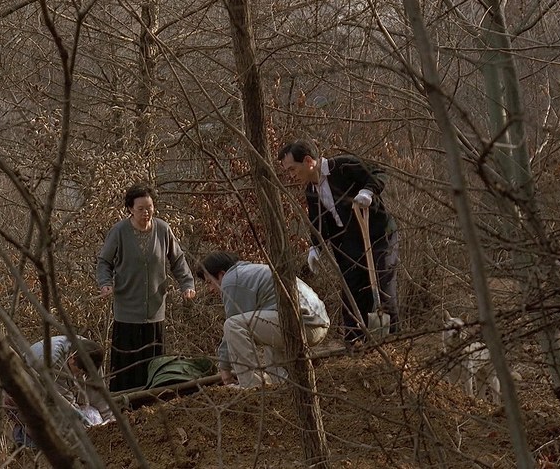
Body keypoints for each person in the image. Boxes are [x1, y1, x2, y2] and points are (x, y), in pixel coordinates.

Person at [278, 139, 400, 344]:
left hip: (380, 235)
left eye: (292, 169)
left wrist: (368, 191)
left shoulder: (343, 166)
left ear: (308, 161)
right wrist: (316, 247)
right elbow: (317, 221)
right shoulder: (311, 191)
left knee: (383, 286)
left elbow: (378, 172)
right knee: (352, 293)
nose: (291, 175)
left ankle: (394, 343)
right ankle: (355, 346)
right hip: (349, 244)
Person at [96, 183, 196, 392]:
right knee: (127, 368)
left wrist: (187, 284)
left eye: (149, 207)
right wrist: (105, 283)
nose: (146, 212)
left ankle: (153, 403)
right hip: (127, 311)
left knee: (154, 365)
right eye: (141, 208)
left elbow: (178, 261)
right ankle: (125, 403)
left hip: (155, 310)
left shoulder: (163, 229)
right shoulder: (119, 231)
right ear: (130, 209)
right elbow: (104, 262)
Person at [195, 251, 329, 388]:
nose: (210, 289)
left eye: (210, 282)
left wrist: (224, 369)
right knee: (265, 325)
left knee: (233, 325)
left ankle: (252, 387)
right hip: (317, 322)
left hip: (305, 324)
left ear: (221, 274)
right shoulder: (250, 271)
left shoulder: (231, 280)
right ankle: (282, 385)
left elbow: (233, 327)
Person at [8, 335, 113, 448]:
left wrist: (111, 422)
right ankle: (24, 440)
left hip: (54, 393)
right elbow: (67, 406)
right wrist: (88, 431)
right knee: (48, 434)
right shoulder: (53, 363)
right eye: (80, 373)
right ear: (72, 358)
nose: (81, 376)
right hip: (22, 394)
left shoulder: (91, 354)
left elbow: (99, 395)